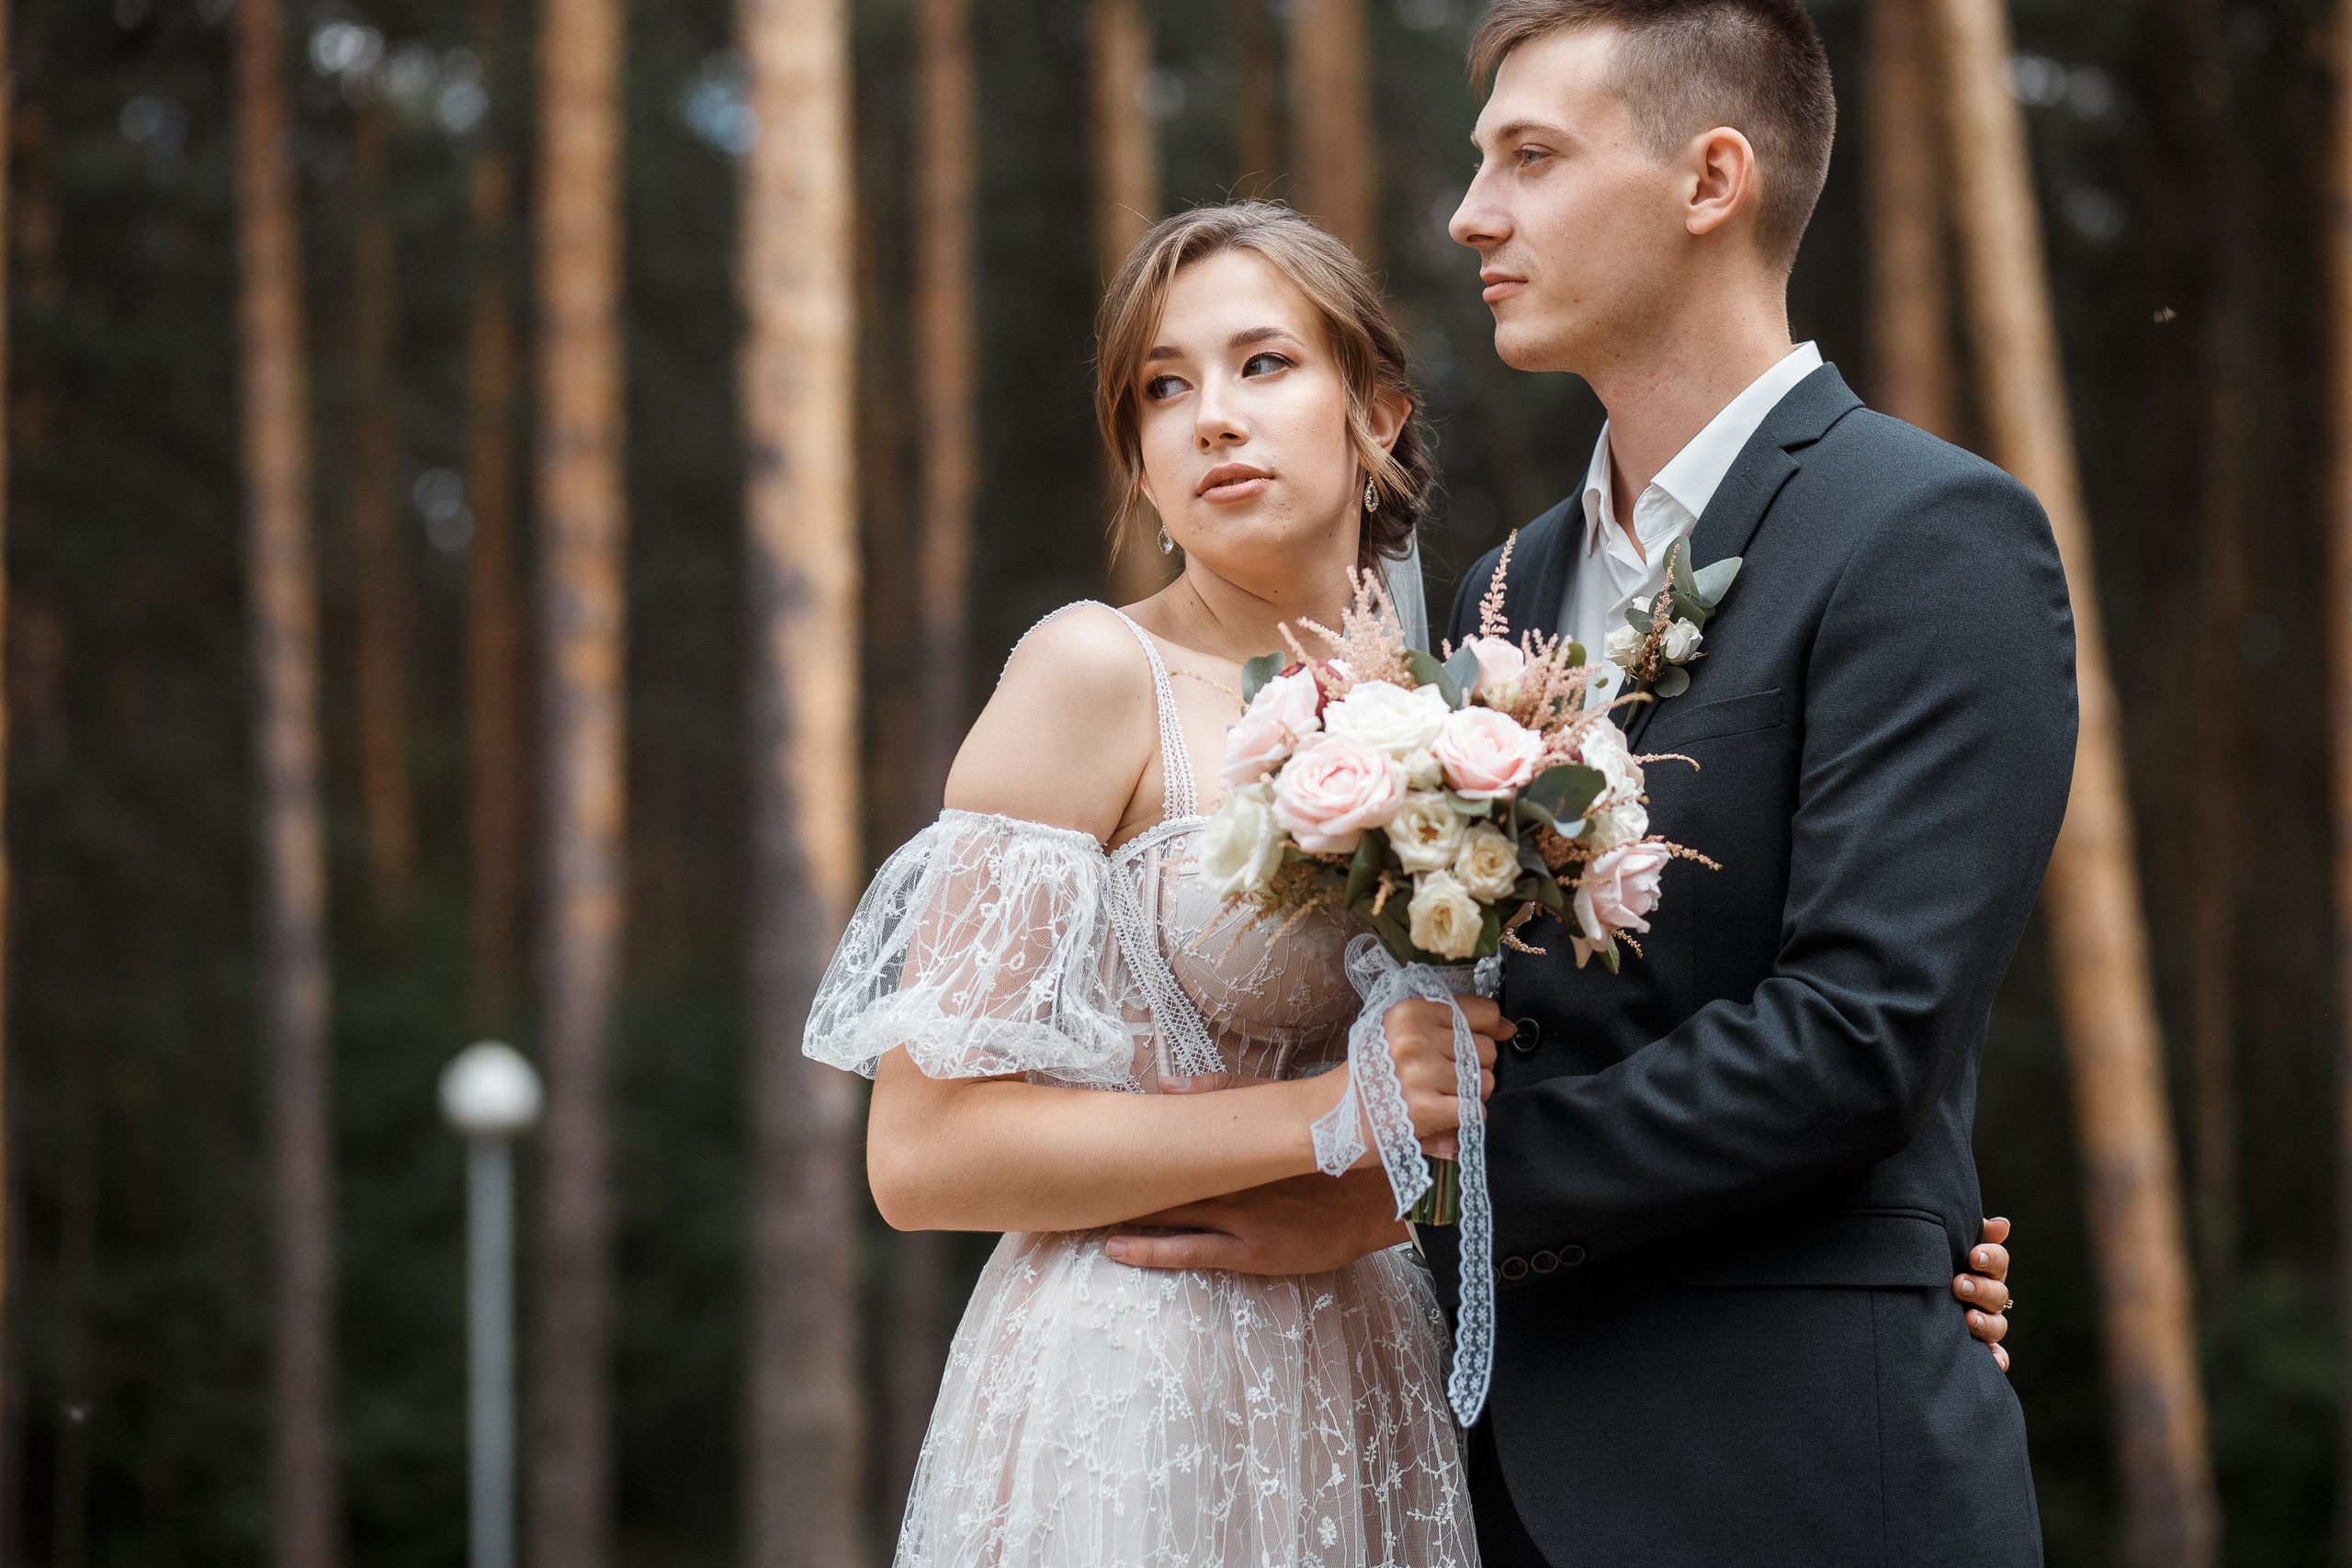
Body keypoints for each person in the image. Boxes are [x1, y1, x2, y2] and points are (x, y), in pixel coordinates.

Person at [805, 199, 2017, 1567]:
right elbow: (922, 1157)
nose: (1211, 416)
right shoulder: (1087, 673)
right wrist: (1335, 1112)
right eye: (1162, 388)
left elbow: (1677, 1002)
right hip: (1142, 1367)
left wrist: (1894, 1240)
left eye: (1264, 364)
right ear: (1137, 465)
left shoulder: (1486, 685)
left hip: (1390, 1368)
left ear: (1378, 415)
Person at [1110, 5, 2061, 1564]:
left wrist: (1414, 1205)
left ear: (1713, 183)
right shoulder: (1507, 585)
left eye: (1531, 158)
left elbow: (1862, 1037)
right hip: (1485, 1470)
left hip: (1799, 1470)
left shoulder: (1929, 536)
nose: (1470, 213)